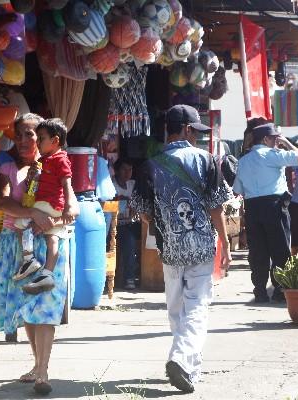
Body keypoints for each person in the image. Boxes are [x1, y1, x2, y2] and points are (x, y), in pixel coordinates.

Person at [131, 104, 231, 393]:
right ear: (187, 129)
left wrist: (166, 226)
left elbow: (143, 211)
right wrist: (224, 242)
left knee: (176, 306)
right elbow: (216, 207)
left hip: (169, 248)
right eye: (196, 131)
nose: (197, 137)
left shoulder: (149, 165)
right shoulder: (207, 160)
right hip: (201, 246)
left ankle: (188, 366)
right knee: (197, 307)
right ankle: (181, 358)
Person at [0, 113, 79, 395]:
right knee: (28, 308)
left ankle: (43, 371)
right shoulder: (7, 168)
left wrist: (52, 220)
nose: (23, 140)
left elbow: (72, 206)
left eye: (30, 135)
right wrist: (32, 212)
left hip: (48, 242)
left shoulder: (56, 165)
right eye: (18, 134)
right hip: (17, 243)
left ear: (45, 138)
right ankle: (37, 365)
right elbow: (4, 201)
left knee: (45, 306)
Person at [233, 123, 298, 303]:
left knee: (258, 251)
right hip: (274, 205)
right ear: (266, 139)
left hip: (252, 207)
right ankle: (279, 289)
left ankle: (260, 290)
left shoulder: (243, 160)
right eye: (274, 138)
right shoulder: (272, 155)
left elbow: (237, 189)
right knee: (279, 249)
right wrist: (286, 142)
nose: (276, 142)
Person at [13, 118, 75, 295]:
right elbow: (40, 184)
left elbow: (66, 182)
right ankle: (47, 273)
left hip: (48, 204)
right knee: (52, 238)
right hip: (52, 205)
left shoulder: (59, 159)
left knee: (20, 223)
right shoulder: (45, 161)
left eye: (41, 139)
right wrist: (33, 177)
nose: (37, 143)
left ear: (55, 141)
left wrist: (69, 203)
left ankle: (28, 259)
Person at [113, 158, 140, 290]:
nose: (127, 173)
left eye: (130, 170)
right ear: (117, 171)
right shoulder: (112, 185)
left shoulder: (132, 184)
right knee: (129, 240)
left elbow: (136, 202)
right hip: (116, 225)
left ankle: (141, 271)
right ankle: (129, 277)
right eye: (124, 169)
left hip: (131, 223)